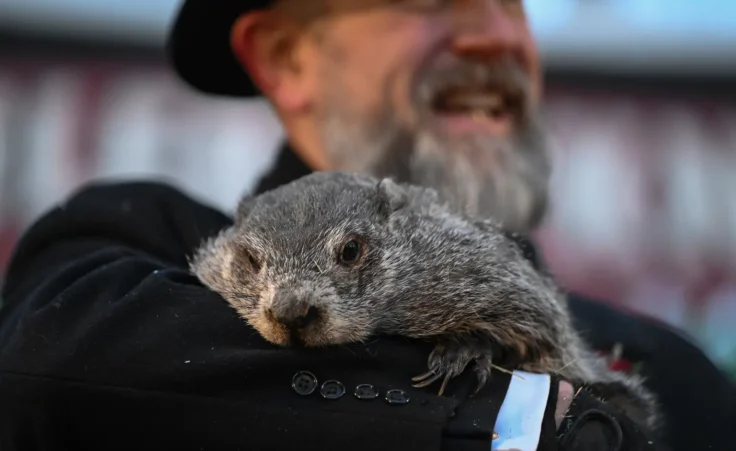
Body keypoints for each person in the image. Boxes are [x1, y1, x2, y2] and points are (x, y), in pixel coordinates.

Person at [0, 0, 732, 449]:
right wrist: (526, 418)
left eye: (511, 0)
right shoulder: (129, 245)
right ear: (287, 57)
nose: (494, 37)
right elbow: (54, 367)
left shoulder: (672, 371)